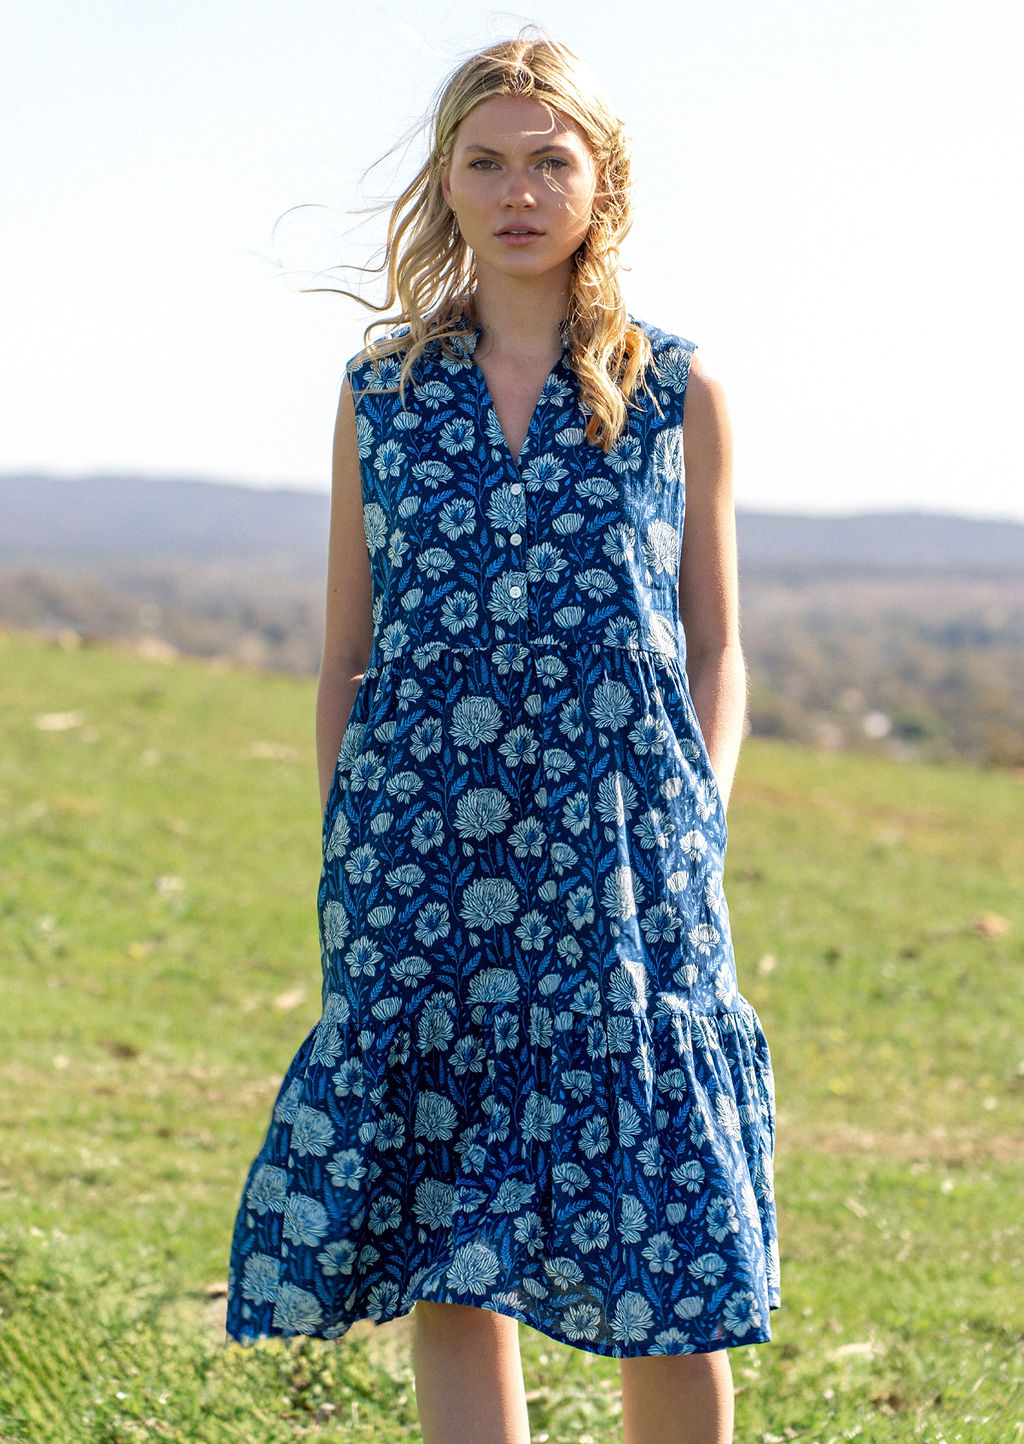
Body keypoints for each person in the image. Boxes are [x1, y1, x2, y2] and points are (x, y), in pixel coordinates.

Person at [226, 29, 779, 1444]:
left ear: (603, 184)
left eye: (551, 162)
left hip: (626, 861)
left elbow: (717, 642)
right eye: (488, 162)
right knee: (445, 1233)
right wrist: (351, 835)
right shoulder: (384, 398)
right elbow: (345, 647)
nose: (520, 191)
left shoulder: (676, 391)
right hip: (416, 856)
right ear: (448, 182)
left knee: (668, 1233)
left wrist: (697, 819)